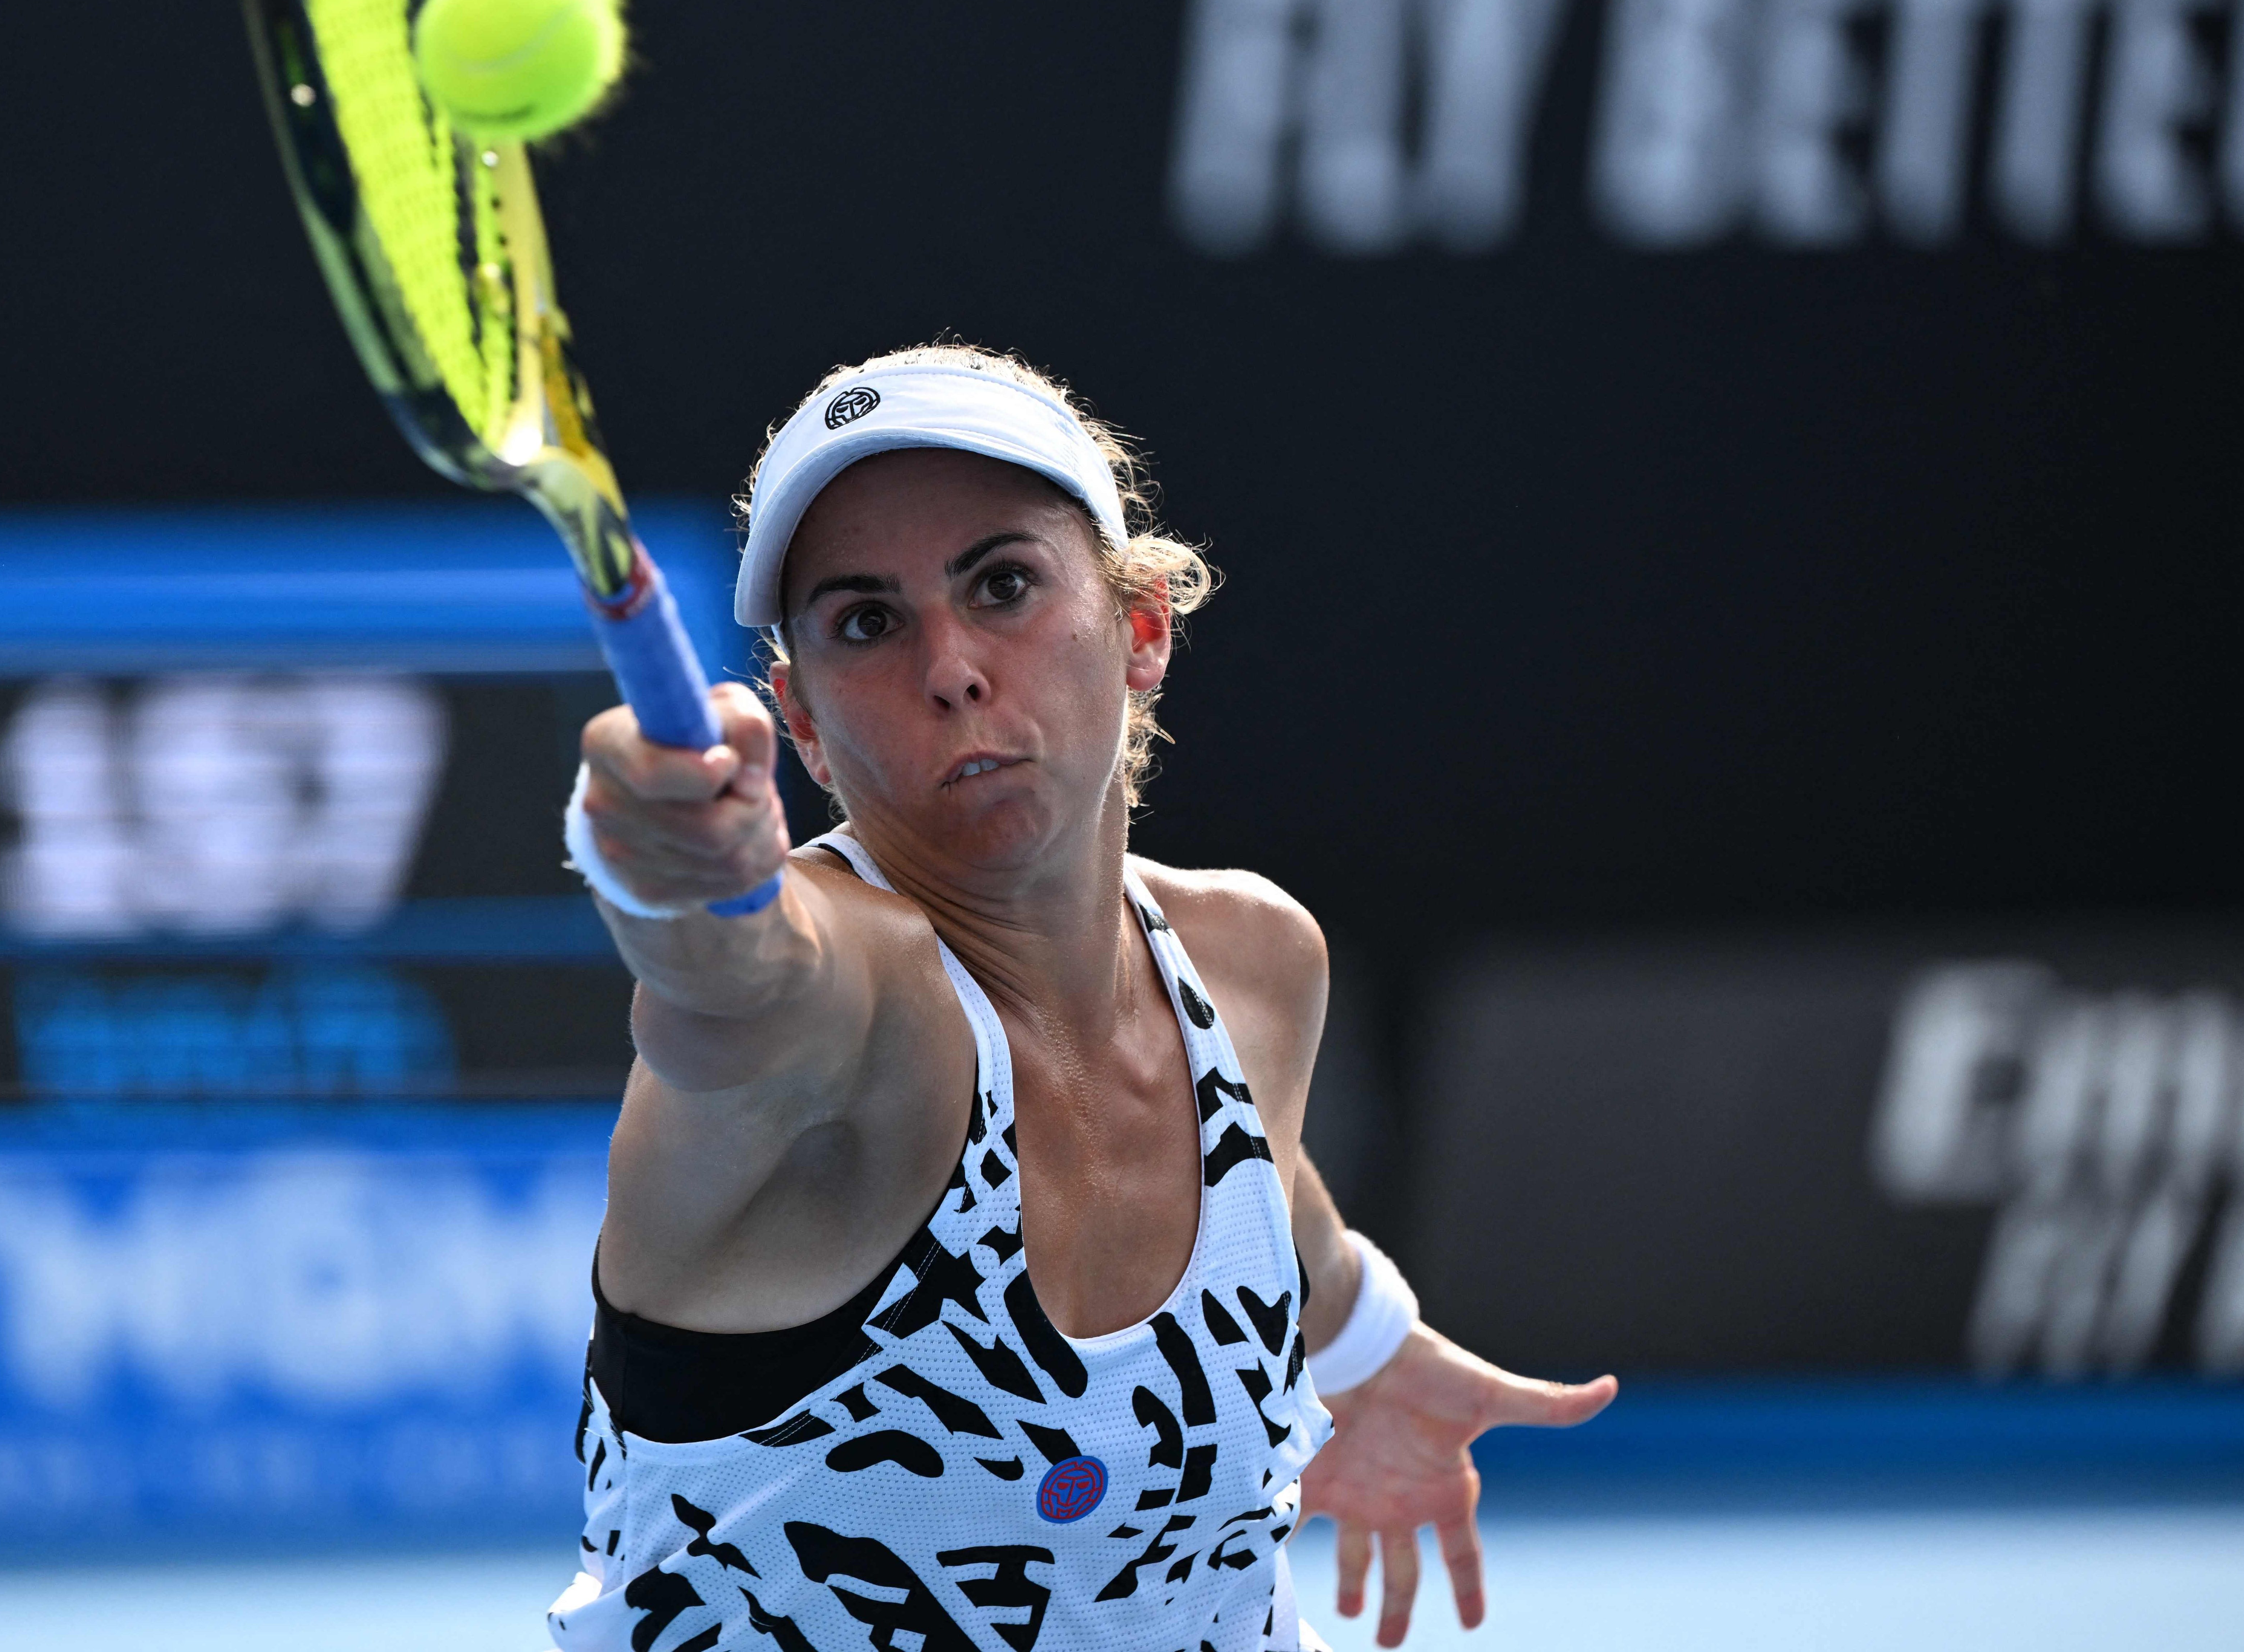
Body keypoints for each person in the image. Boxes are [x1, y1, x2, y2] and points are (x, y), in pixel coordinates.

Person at [549, 348, 1615, 1652]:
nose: (950, 667)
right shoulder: (851, 1015)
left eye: (1003, 584)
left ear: (1144, 627)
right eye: (865, 623)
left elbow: (1278, 1207)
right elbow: (732, 980)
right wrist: (660, 864)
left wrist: (1372, 1347)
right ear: (805, 725)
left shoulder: (1252, 963)